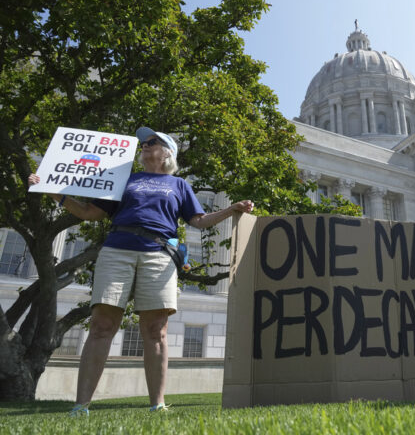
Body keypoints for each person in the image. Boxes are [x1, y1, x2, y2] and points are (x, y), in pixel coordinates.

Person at [28, 127, 254, 415]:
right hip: (117, 250)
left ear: (167, 153)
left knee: (155, 329)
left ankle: (157, 405)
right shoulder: (124, 179)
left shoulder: (178, 185)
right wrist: (52, 192)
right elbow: (89, 212)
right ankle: (81, 406)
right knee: (101, 325)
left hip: (159, 255)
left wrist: (231, 209)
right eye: (144, 143)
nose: (145, 145)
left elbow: (198, 220)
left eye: (152, 142)